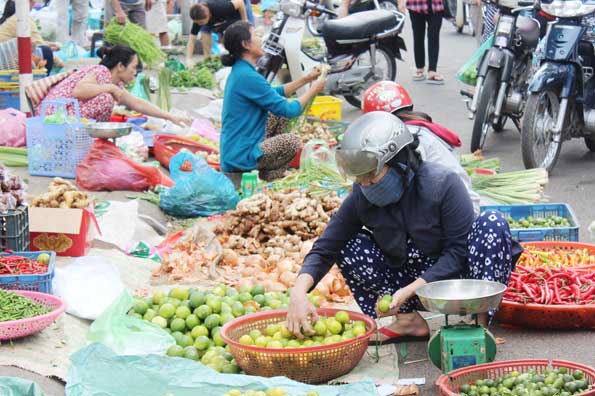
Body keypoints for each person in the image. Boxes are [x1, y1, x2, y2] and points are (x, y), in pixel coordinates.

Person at [287, 111, 521, 344]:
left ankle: (479, 325)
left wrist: (413, 289)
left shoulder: (441, 184)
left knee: (493, 223)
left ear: (398, 162)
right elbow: (327, 246)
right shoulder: (362, 195)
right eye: (360, 178)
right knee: (349, 243)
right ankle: (408, 321)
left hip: (457, 282)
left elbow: (458, 253)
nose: (365, 184)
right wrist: (298, 292)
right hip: (403, 284)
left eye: (371, 175)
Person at [220, 21, 325, 181]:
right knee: (292, 141)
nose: (261, 39)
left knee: (278, 113)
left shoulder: (242, 71)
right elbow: (290, 111)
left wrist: (306, 79)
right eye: (256, 35)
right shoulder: (247, 76)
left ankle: (264, 171)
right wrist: (313, 90)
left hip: (237, 148)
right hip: (240, 156)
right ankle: (267, 179)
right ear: (246, 44)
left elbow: (273, 93)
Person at [362, 81, 481, 214]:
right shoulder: (413, 129)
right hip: (458, 202)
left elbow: (405, 188)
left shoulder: (407, 139)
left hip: (459, 211)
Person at [35, 45, 189, 125]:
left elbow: (136, 103)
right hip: (51, 120)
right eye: (134, 67)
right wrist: (110, 88)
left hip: (60, 118)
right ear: (121, 66)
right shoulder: (101, 71)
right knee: (105, 99)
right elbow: (79, 91)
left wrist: (169, 116)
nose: (135, 72)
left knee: (107, 97)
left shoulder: (116, 83)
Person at [0, 0, 60, 74]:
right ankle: (42, 81)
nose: (35, 3)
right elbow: (38, 43)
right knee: (46, 52)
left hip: (6, 57)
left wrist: (49, 44)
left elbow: (33, 40)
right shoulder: (22, 19)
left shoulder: (13, 19)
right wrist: (61, 64)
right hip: (5, 62)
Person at [185, 0, 254, 62]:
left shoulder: (220, 7)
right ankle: (207, 60)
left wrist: (245, 22)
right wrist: (189, 59)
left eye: (201, 22)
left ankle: (250, 59)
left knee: (247, 34)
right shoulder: (198, 16)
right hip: (221, 14)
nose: (199, 24)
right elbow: (192, 39)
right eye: (197, 23)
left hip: (240, 6)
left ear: (209, 15)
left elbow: (240, 3)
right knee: (205, 29)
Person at [397, 0, 445, 83]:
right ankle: (419, 68)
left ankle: (432, 71)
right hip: (416, 6)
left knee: (434, 38)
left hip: (435, 6)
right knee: (418, 37)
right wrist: (400, 2)